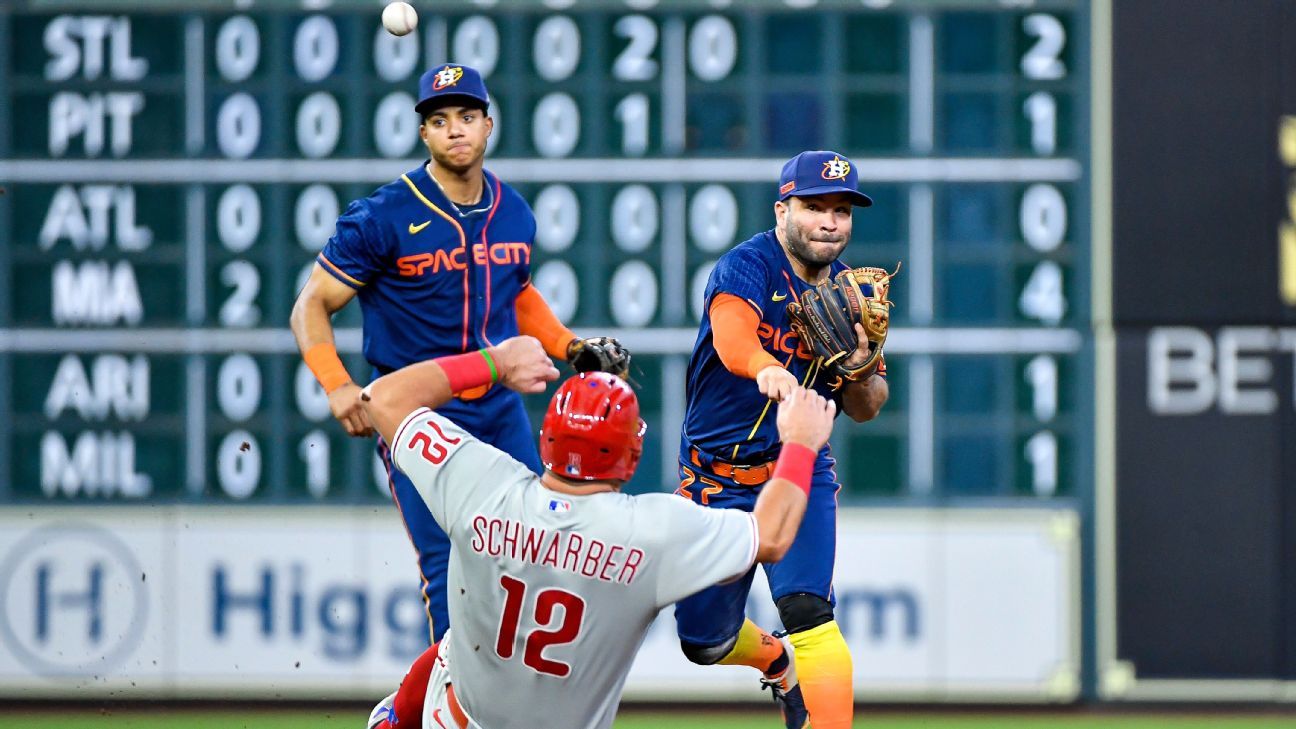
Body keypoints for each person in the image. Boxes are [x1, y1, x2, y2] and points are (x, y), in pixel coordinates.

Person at [290, 63, 622, 646]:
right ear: (424, 134)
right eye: (440, 120)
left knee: (537, 553)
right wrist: (336, 384)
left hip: (496, 412)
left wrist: (569, 345)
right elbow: (311, 304)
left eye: (467, 117)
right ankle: (450, 704)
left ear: (488, 125)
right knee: (449, 570)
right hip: (416, 415)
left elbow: (514, 291)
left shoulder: (513, 210)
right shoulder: (383, 216)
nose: (455, 130)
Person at [357, 335, 837, 729]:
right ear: (631, 457)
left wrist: (496, 362)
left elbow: (382, 397)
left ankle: (396, 716)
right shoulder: (652, 532)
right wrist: (798, 444)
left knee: (451, 649)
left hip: (455, 717)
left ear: (547, 436)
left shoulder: (480, 482)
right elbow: (771, 534)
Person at [674, 150, 891, 729]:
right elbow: (730, 337)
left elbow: (867, 410)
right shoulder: (747, 265)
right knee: (704, 640)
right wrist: (766, 367)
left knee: (808, 610)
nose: (829, 221)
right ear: (782, 210)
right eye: (814, 206)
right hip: (714, 476)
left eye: (841, 210)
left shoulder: (852, 296)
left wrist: (864, 364)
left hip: (798, 464)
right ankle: (776, 661)